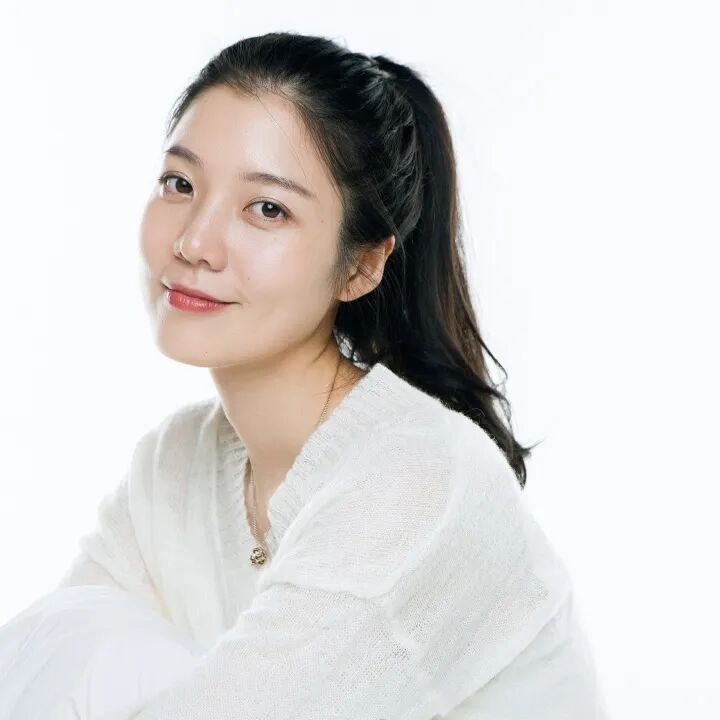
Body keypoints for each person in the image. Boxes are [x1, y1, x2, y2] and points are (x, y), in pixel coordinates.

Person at [0, 31, 610, 719]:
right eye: (180, 184)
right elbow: (42, 675)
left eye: (267, 208)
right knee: (83, 633)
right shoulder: (175, 465)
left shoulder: (418, 480)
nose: (194, 242)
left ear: (362, 265)